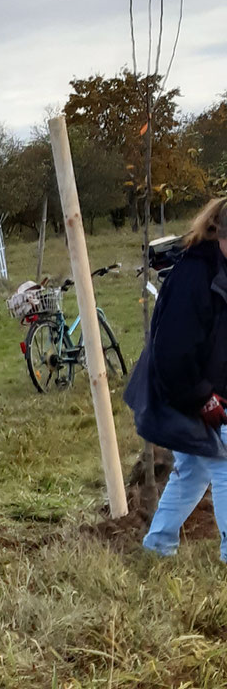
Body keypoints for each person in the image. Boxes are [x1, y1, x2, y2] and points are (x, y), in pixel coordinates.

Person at [126, 197, 227, 560]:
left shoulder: (220, 269)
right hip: (191, 391)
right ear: (221, 236)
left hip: (210, 389)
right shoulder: (194, 277)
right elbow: (173, 352)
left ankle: (157, 546)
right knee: (224, 464)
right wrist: (204, 399)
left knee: (193, 471)